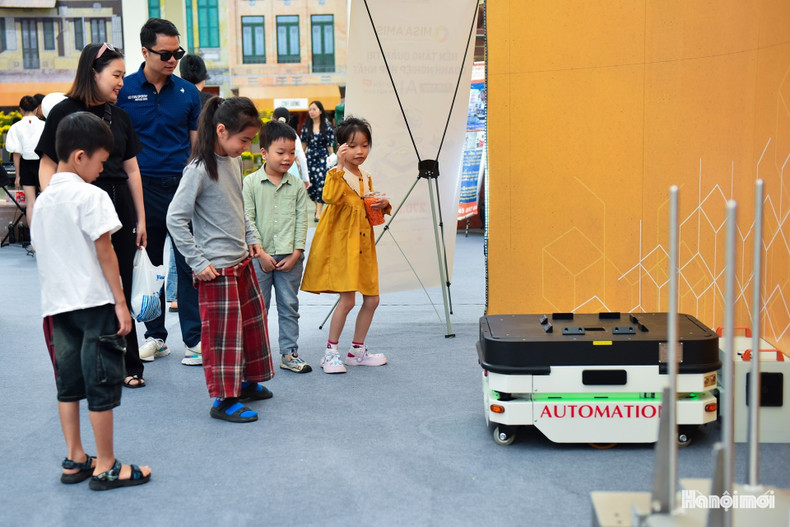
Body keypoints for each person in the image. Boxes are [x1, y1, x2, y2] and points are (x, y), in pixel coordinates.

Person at [31, 112, 151, 490]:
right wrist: (120, 302)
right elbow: (106, 254)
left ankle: (76, 457)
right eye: (101, 161)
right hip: (94, 304)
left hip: (56, 307)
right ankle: (108, 466)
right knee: (102, 382)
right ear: (80, 156)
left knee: (68, 385)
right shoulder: (91, 196)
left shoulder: (46, 200)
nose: (103, 169)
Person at [36, 43, 148, 389]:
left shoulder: (122, 115)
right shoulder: (63, 112)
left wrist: (141, 219)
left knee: (121, 286)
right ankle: (85, 359)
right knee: (83, 282)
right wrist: (55, 202)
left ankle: (127, 362)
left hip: (116, 202)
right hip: (75, 206)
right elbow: (47, 164)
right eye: (116, 75)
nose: (121, 83)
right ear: (93, 73)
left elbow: (132, 169)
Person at [167, 96, 274, 422]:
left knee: (250, 327)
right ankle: (223, 400)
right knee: (223, 338)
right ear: (222, 130)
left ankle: (243, 382)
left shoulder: (231, 161)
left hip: (241, 263)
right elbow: (175, 218)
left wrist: (252, 239)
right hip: (217, 272)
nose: (246, 147)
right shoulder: (198, 170)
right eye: (243, 140)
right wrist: (197, 263)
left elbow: (239, 207)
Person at [117, 18, 203, 366]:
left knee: (188, 266)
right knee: (150, 266)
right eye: (165, 53)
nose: (172, 60)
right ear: (145, 52)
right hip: (142, 191)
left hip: (182, 191)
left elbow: (197, 151)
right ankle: (155, 336)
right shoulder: (124, 90)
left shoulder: (188, 93)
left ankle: (195, 340)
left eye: (177, 53)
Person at [300, 117, 391, 374]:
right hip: (343, 247)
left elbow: (369, 213)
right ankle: (330, 353)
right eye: (352, 145)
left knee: (372, 299)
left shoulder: (367, 177)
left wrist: (382, 206)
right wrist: (338, 165)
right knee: (347, 301)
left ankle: (356, 351)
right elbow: (328, 197)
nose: (359, 151)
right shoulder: (335, 174)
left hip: (364, 247)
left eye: (364, 145)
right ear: (341, 147)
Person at [243, 120, 311, 373]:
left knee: (289, 305)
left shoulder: (296, 186)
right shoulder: (250, 183)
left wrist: (296, 253)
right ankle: (256, 355)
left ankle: (289, 352)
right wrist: (259, 252)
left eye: (292, 153)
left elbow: (302, 220)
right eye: (280, 153)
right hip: (258, 258)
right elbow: (246, 219)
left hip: (289, 258)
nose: (287, 158)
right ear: (264, 153)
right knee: (258, 308)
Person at [5, 95, 45, 223]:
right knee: (46, 201)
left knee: (31, 204)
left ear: (21, 109)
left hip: (25, 165)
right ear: (37, 108)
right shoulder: (44, 125)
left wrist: (17, 176)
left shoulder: (16, 127)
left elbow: (16, 153)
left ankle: (33, 239)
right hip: (43, 165)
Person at [300, 100, 335, 222]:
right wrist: (299, 160)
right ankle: (317, 207)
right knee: (310, 187)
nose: (312, 112)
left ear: (320, 111)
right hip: (310, 160)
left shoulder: (327, 127)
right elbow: (303, 146)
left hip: (322, 160)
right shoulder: (306, 127)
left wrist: (334, 158)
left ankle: (319, 213)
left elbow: (330, 146)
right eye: (310, 110)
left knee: (321, 184)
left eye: (314, 109)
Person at [273, 107, 310, 189]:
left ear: (274, 118)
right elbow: (302, 158)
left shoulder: (270, 135)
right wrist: (306, 179)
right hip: (291, 169)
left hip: (273, 170)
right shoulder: (293, 134)